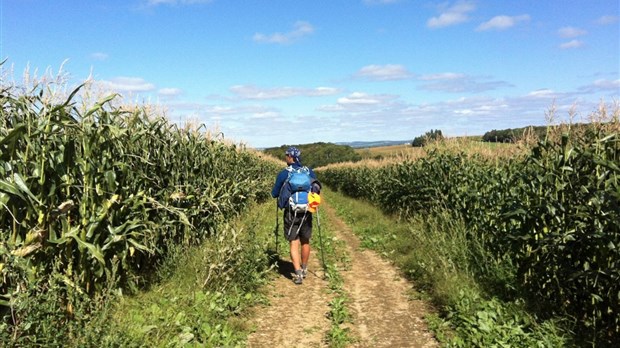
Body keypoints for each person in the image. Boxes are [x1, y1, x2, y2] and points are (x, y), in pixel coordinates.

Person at [271, 146, 321, 285]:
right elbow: (315, 188)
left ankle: (297, 273)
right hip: (306, 211)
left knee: (294, 242)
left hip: (291, 212)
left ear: (290, 157)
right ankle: (304, 269)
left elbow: (274, 193)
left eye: (286, 155)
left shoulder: (284, 173)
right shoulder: (308, 171)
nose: (285, 157)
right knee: (305, 240)